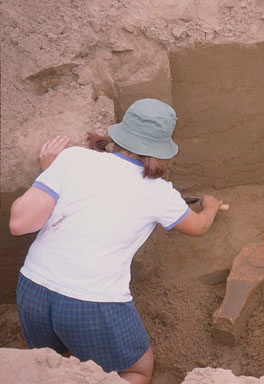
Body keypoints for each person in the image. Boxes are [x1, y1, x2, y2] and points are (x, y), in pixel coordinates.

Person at [9, 98, 222, 384]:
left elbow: (19, 224)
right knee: (137, 370)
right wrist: (210, 207)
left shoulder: (72, 159)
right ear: (162, 148)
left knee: (52, 364)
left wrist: (49, 173)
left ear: (121, 133)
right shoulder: (160, 193)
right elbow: (198, 227)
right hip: (92, 304)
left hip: (32, 290)